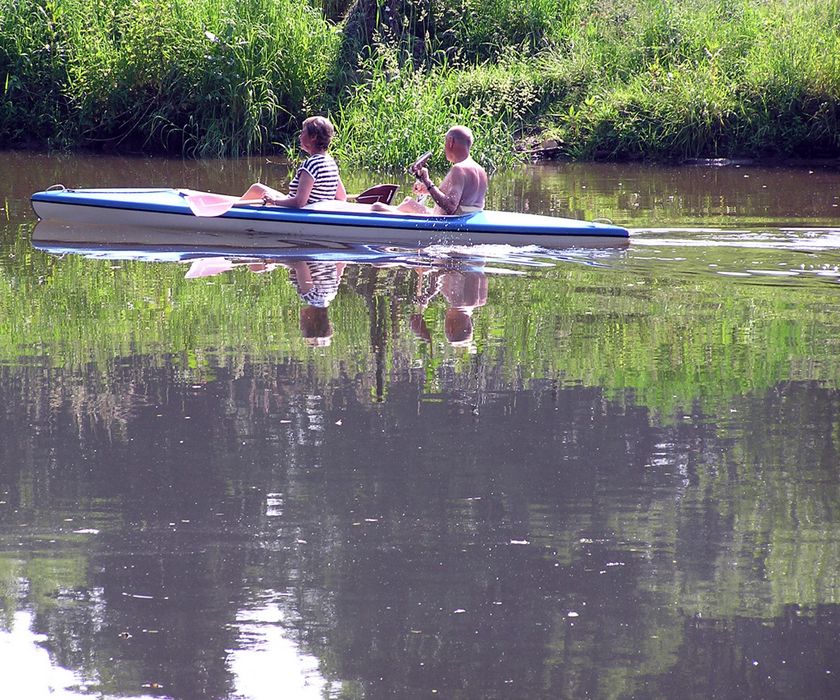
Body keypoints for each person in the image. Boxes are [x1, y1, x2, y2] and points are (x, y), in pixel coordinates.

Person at [373, 125, 488, 216]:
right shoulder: (480, 170)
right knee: (408, 202)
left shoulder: (459, 169)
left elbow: (450, 206)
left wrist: (427, 181)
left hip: (449, 223)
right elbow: (463, 200)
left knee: (377, 207)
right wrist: (429, 190)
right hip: (465, 218)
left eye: (445, 142)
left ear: (451, 142)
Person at [242, 116, 347, 207]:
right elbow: (342, 197)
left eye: (303, 132)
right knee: (257, 188)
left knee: (256, 188)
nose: (300, 136)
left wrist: (273, 201)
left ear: (313, 137)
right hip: (309, 207)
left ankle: (232, 210)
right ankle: (236, 205)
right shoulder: (331, 163)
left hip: (298, 211)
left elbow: (299, 202)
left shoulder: (311, 165)